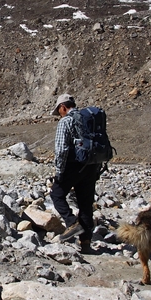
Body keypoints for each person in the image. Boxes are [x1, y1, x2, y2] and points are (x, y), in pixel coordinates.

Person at [50, 93, 101, 251]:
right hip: (92, 165)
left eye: (59, 111)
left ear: (63, 107)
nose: (59, 114)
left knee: (56, 194)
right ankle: (85, 242)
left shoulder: (66, 121)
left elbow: (61, 150)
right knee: (85, 204)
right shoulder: (89, 119)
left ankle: (72, 223)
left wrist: (59, 172)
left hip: (74, 165)